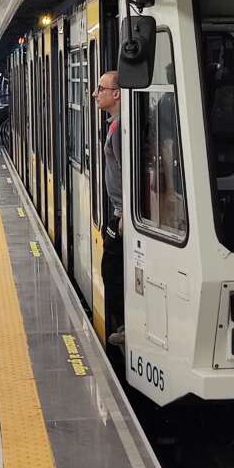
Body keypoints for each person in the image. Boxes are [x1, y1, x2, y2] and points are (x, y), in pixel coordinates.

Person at [96, 70, 125, 348]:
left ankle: (123, 327)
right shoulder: (116, 124)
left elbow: (128, 171)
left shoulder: (120, 129)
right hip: (118, 212)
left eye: (101, 89)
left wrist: (125, 211)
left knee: (112, 271)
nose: (96, 94)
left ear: (116, 93)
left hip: (121, 215)